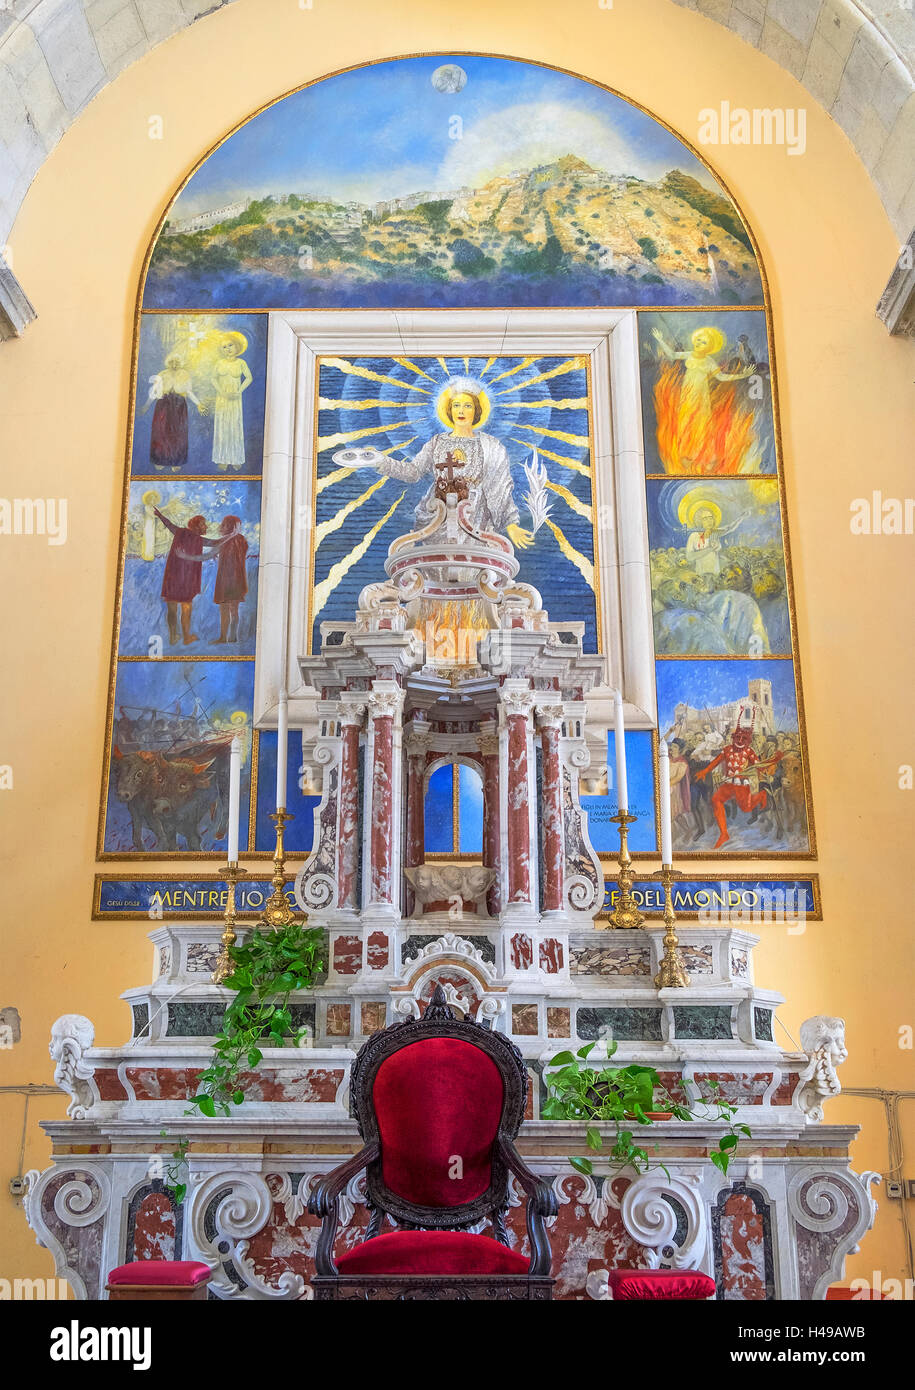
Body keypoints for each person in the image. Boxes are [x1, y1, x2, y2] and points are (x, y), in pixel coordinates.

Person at [332, 378, 534, 549]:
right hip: (438, 513)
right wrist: (381, 461)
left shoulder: (491, 446)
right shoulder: (437, 442)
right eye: (456, 405)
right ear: (449, 409)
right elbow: (413, 472)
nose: (461, 411)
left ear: (477, 410)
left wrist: (512, 524)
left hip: (474, 515)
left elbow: (501, 487)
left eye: (467, 405)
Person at [153, 509, 221, 646]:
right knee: (186, 607)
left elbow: (169, 524)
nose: (206, 527)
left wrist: (159, 515)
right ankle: (186, 637)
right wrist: (231, 537)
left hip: (172, 577)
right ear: (196, 526)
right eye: (203, 524)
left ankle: (173, 637)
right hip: (187, 580)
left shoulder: (180, 533)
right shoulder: (198, 539)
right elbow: (215, 543)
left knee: (172, 607)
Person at [141, 352, 206, 471]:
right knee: (160, 432)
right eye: (172, 362)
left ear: (180, 363)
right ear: (168, 363)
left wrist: (198, 404)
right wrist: (146, 406)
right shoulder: (162, 374)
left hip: (179, 406)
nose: (174, 365)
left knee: (178, 434)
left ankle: (176, 461)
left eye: (177, 362)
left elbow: (189, 392)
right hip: (163, 406)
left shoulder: (185, 374)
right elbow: (154, 392)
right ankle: (160, 460)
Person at [212, 332, 253, 471]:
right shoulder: (219, 363)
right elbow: (213, 378)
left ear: (238, 346)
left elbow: (248, 378)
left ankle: (235, 458)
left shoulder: (241, 363)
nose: (228, 349)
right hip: (222, 399)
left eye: (230, 345)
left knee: (234, 426)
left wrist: (239, 391)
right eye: (224, 347)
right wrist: (221, 391)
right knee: (222, 426)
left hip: (235, 399)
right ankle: (222, 458)